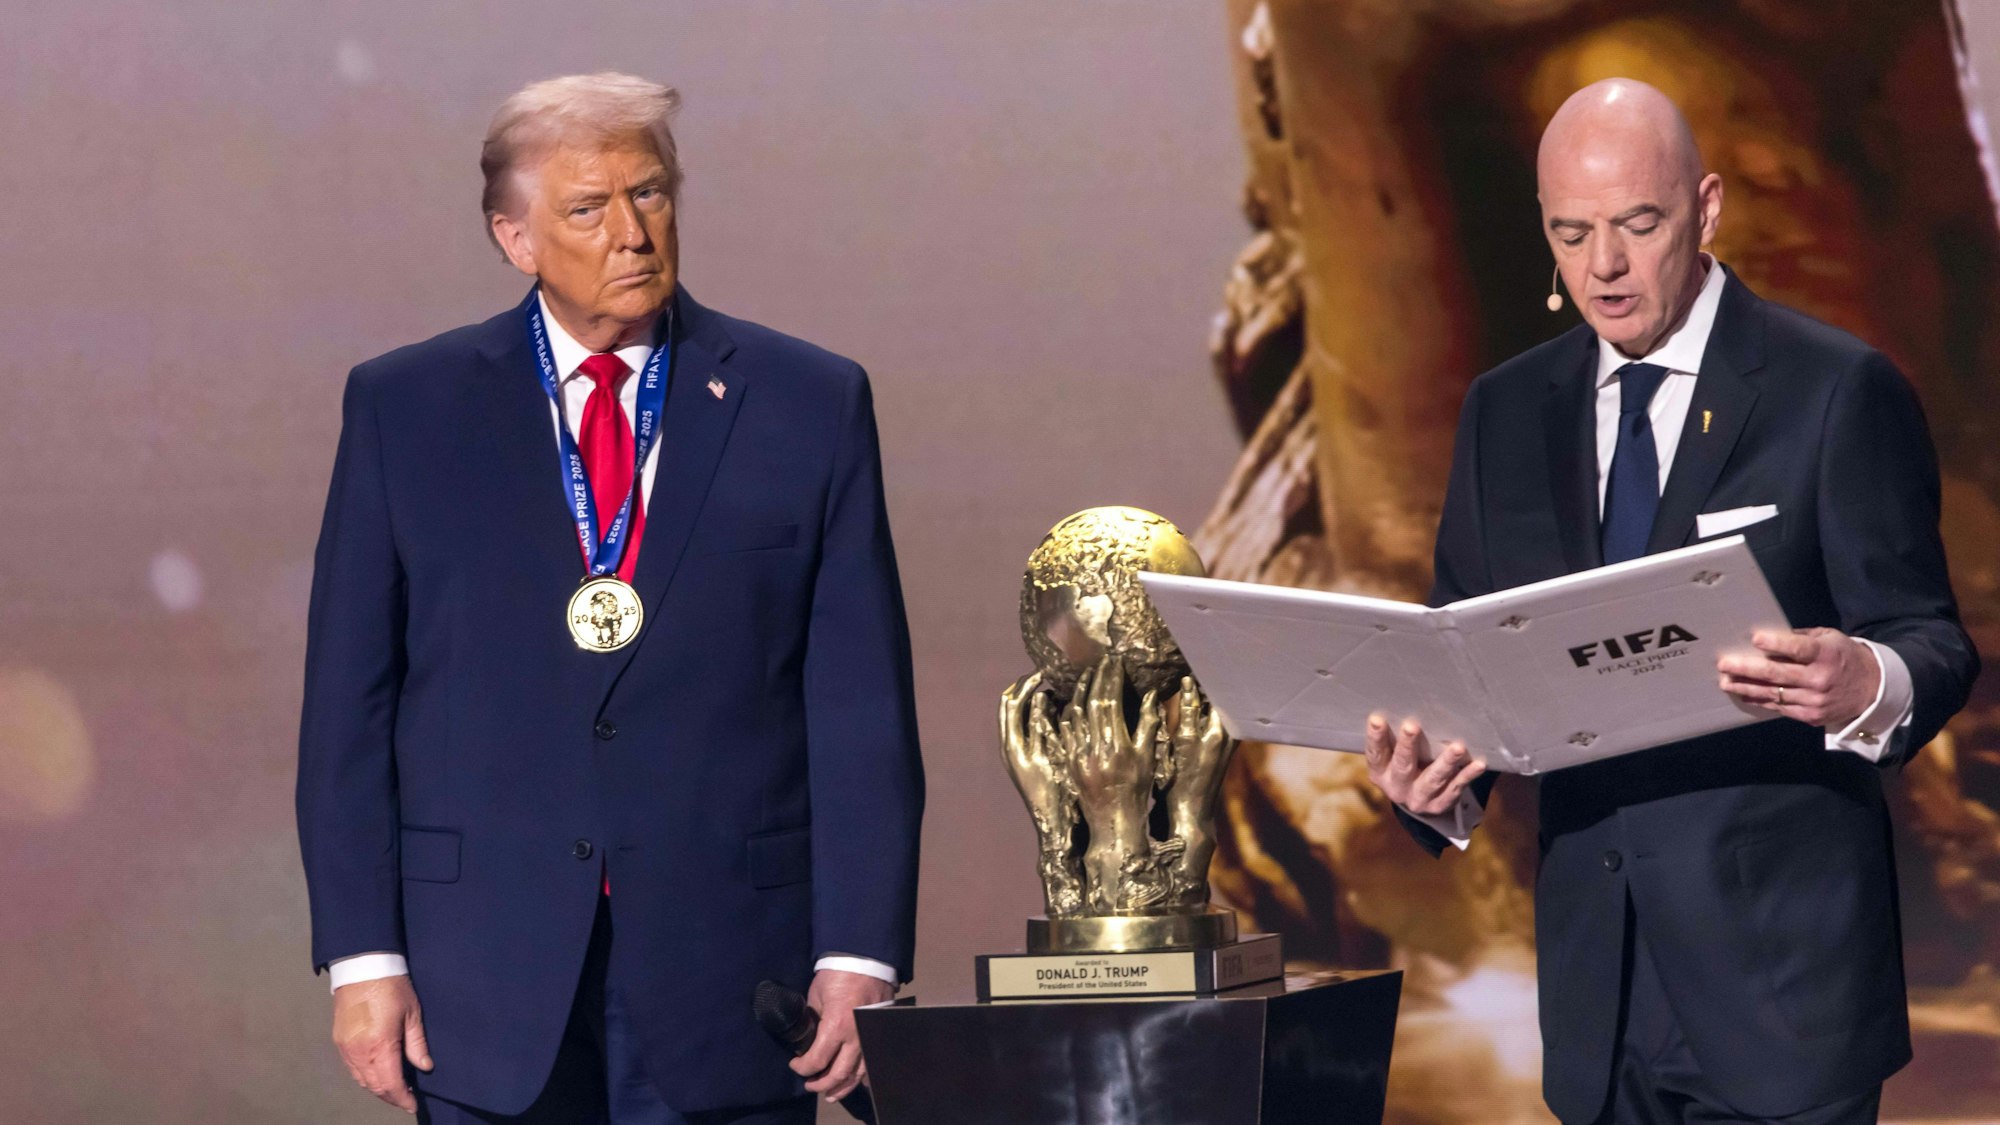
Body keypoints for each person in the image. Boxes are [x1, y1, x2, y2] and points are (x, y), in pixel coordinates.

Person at [296, 73, 923, 1124]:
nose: (632, 233)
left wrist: (860, 952)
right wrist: (363, 957)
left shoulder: (808, 402)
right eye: (588, 208)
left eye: (650, 193)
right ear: (515, 238)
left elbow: (860, 707)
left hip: (730, 972)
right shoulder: (405, 408)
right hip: (479, 979)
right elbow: (349, 709)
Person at [1362, 78, 1978, 1124]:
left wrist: (1863, 681)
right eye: (1570, 234)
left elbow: (1930, 638)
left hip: (1784, 991)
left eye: (1636, 225)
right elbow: (1464, 658)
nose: (1601, 265)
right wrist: (1431, 786)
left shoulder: (1832, 389)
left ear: (1706, 209)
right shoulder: (1503, 414)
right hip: (1597, 1001)